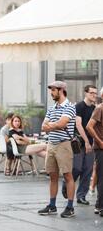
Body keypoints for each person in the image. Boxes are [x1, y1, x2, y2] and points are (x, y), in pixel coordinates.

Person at [38, 81, 77, 218]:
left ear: (61, 90)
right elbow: (43, 126)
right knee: (52, 176)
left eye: (53, 90)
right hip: (51, 144)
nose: (51, 92)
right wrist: (54, 125)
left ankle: (70, 207)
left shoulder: (70, 107)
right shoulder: (52, 107)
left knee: (67, 175)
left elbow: (62, 123)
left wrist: (52, 125)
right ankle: (52, 205)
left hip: (64, 144)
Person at [60, 85, 97, 206]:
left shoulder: (95, 108)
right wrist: (86, 141)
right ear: (86, 93)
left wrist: (93, 142)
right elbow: (79, 125)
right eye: (92, 93)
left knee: (87, 170)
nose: (94, 96)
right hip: (78, 142)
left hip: (91, 144)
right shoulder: (79, 106)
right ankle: (66, 184)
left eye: (95, 93)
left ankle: (81, 196)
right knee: (76, 168)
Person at [86, 98, 103, 217]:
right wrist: (100, 142)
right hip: (101, 149)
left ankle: (99, 205)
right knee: (102, 177)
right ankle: (100, 206)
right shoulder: (100, 108)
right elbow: (89, 126)